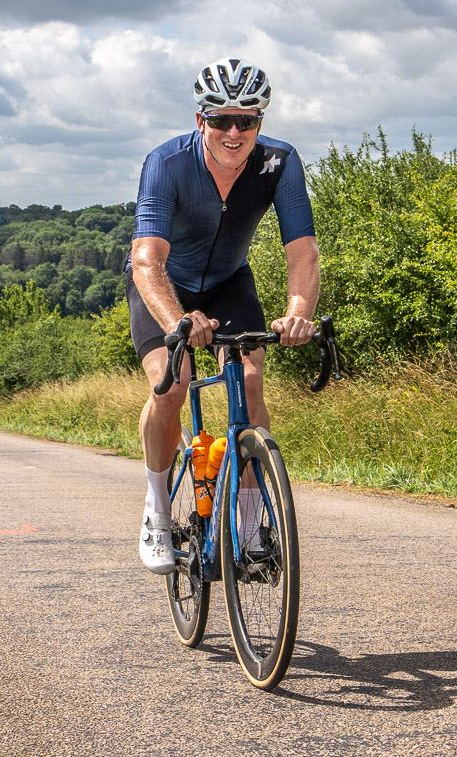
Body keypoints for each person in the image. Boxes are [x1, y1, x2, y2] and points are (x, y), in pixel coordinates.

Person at [132, 58, 320, 575]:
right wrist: (177, 320)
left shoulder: (279, 164)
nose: (234, 132)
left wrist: (298, 314)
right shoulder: (166, 164)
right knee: (172, 385)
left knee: (252, 379)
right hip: (165, 282)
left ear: (260, 122)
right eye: (220, 120)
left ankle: (252, 525)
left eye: (247, 120)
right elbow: (148, 259)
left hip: (228, 282)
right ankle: (155, 510)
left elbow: (302, 253)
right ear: (201, 122)